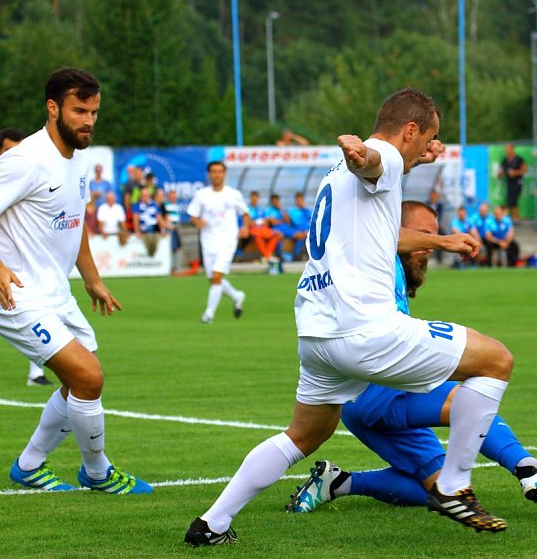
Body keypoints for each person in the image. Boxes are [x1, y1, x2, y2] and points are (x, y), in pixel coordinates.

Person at [184, 88, 512, 547]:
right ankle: (451, 485)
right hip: (365, 328)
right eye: (427, 139)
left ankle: (211, 524)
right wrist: (365, 156)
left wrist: (441, 240)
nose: (425, 152)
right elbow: (377, 163)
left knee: (304, 433)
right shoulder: (380, 157)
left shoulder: (335, 176)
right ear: (410, 130)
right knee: (496, 360)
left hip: (317, 332)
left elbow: (380, 224)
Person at [285, 200, 537, 513]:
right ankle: (529, 469)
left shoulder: (395, 271)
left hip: (369, 397)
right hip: (370, 391)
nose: (428, 246)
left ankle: (338, 483)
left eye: (433, 235)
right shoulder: (376, 258)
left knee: (438, 492)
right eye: (421, 235)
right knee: (468, 398)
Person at [0, 67, 151, 494]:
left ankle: (29, 465)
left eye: (94, 112)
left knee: (77, 382)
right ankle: (98, 472)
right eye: (79, 111)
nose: (88, 121)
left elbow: (74, 221)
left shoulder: (80, 157)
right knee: (88, 377)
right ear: (52, 108)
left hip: (56, 292)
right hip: (16, 293)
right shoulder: (24, 160)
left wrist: (92, 278)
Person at [187, 161, 249, 324]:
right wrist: (197, 222)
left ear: (224, 174)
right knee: (213, 279)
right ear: (209, 174)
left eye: (220, 171)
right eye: (214, 172)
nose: (217, 175)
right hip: (208, 241)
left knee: (216, 276)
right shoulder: (202, 195)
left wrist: (245, 227)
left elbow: (245, 213)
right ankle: (237, 296)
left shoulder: (233, 194)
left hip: (227, 241)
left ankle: (208, 315)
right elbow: (192, 214)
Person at [497, 144, 527, 222]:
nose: (507, 151)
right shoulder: (505, 160)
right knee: (509, 201)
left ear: (512, 149)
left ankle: (516, 219)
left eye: (508, 149)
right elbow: (502, 171)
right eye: (506, 149)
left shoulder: (519, 159)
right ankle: (511, 219)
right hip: (509, 183)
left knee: (513, 201)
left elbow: (524, 170)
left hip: (517, 182)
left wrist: (515, 173)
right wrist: (500, 174)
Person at [286, 192, 312, 261]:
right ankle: (296, 256)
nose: (299, 202)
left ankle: (310, 257)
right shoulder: (292, 211)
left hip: (307, 231)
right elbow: (289, 224)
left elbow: (312, 221)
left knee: (310, 238)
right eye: (298, 200)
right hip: (298, 231)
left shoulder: (307, 211)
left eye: (300, 200)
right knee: (300, 239)